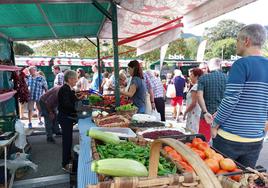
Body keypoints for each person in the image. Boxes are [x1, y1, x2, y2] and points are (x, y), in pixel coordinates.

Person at [212, 24, 268, 168]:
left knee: (221, 178)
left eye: (237, 40)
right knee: (244, 179)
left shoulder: (241, 64)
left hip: (230, 138)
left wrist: (215, 123)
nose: (236, 43)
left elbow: (231, 99)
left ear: (246, 41)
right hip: (256, 139)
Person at [197, 58, 227, 142]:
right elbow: (231, 98)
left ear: (209, 67)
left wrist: (205, 111)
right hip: (223, 117)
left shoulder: (203, 78)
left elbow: (199, 96)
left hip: (206, 116)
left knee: (203, 143)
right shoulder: (228, 78)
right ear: (220, 66)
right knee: (221, 144)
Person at [58, 70, 81, 172]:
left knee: (69, 140)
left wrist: (79, 101)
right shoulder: (65, 89)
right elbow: (67, 104)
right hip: (65, 118)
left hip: (67, 117)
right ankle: (65, 163)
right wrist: (78, 108)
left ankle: (68, 159)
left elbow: (73, 100)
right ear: (70, 79)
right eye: (75, 79)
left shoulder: (69, 89)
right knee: (67, 141)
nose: (76, 81)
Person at [183, 68, 203, 133]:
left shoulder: (195, 87)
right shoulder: (200, 85)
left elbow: (194, 103)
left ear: (196, 76)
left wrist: (186, 112)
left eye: (191, 75)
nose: (189, 77)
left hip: (193, 112)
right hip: (196, 112)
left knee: (192, 130)